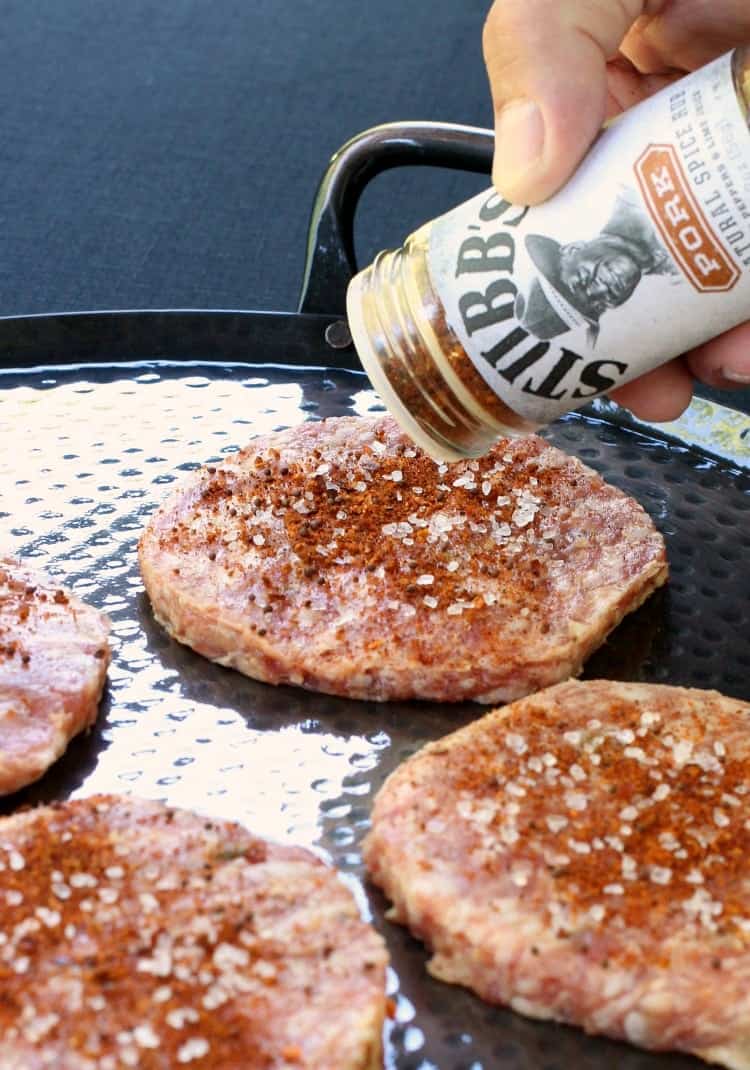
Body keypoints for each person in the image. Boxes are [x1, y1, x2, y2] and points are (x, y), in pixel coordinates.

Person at [482, 0, 750, 421]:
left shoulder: (629, 185)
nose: (599, 290)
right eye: (592, 304)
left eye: (577, 282)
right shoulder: (684, 289)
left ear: (569, 251)